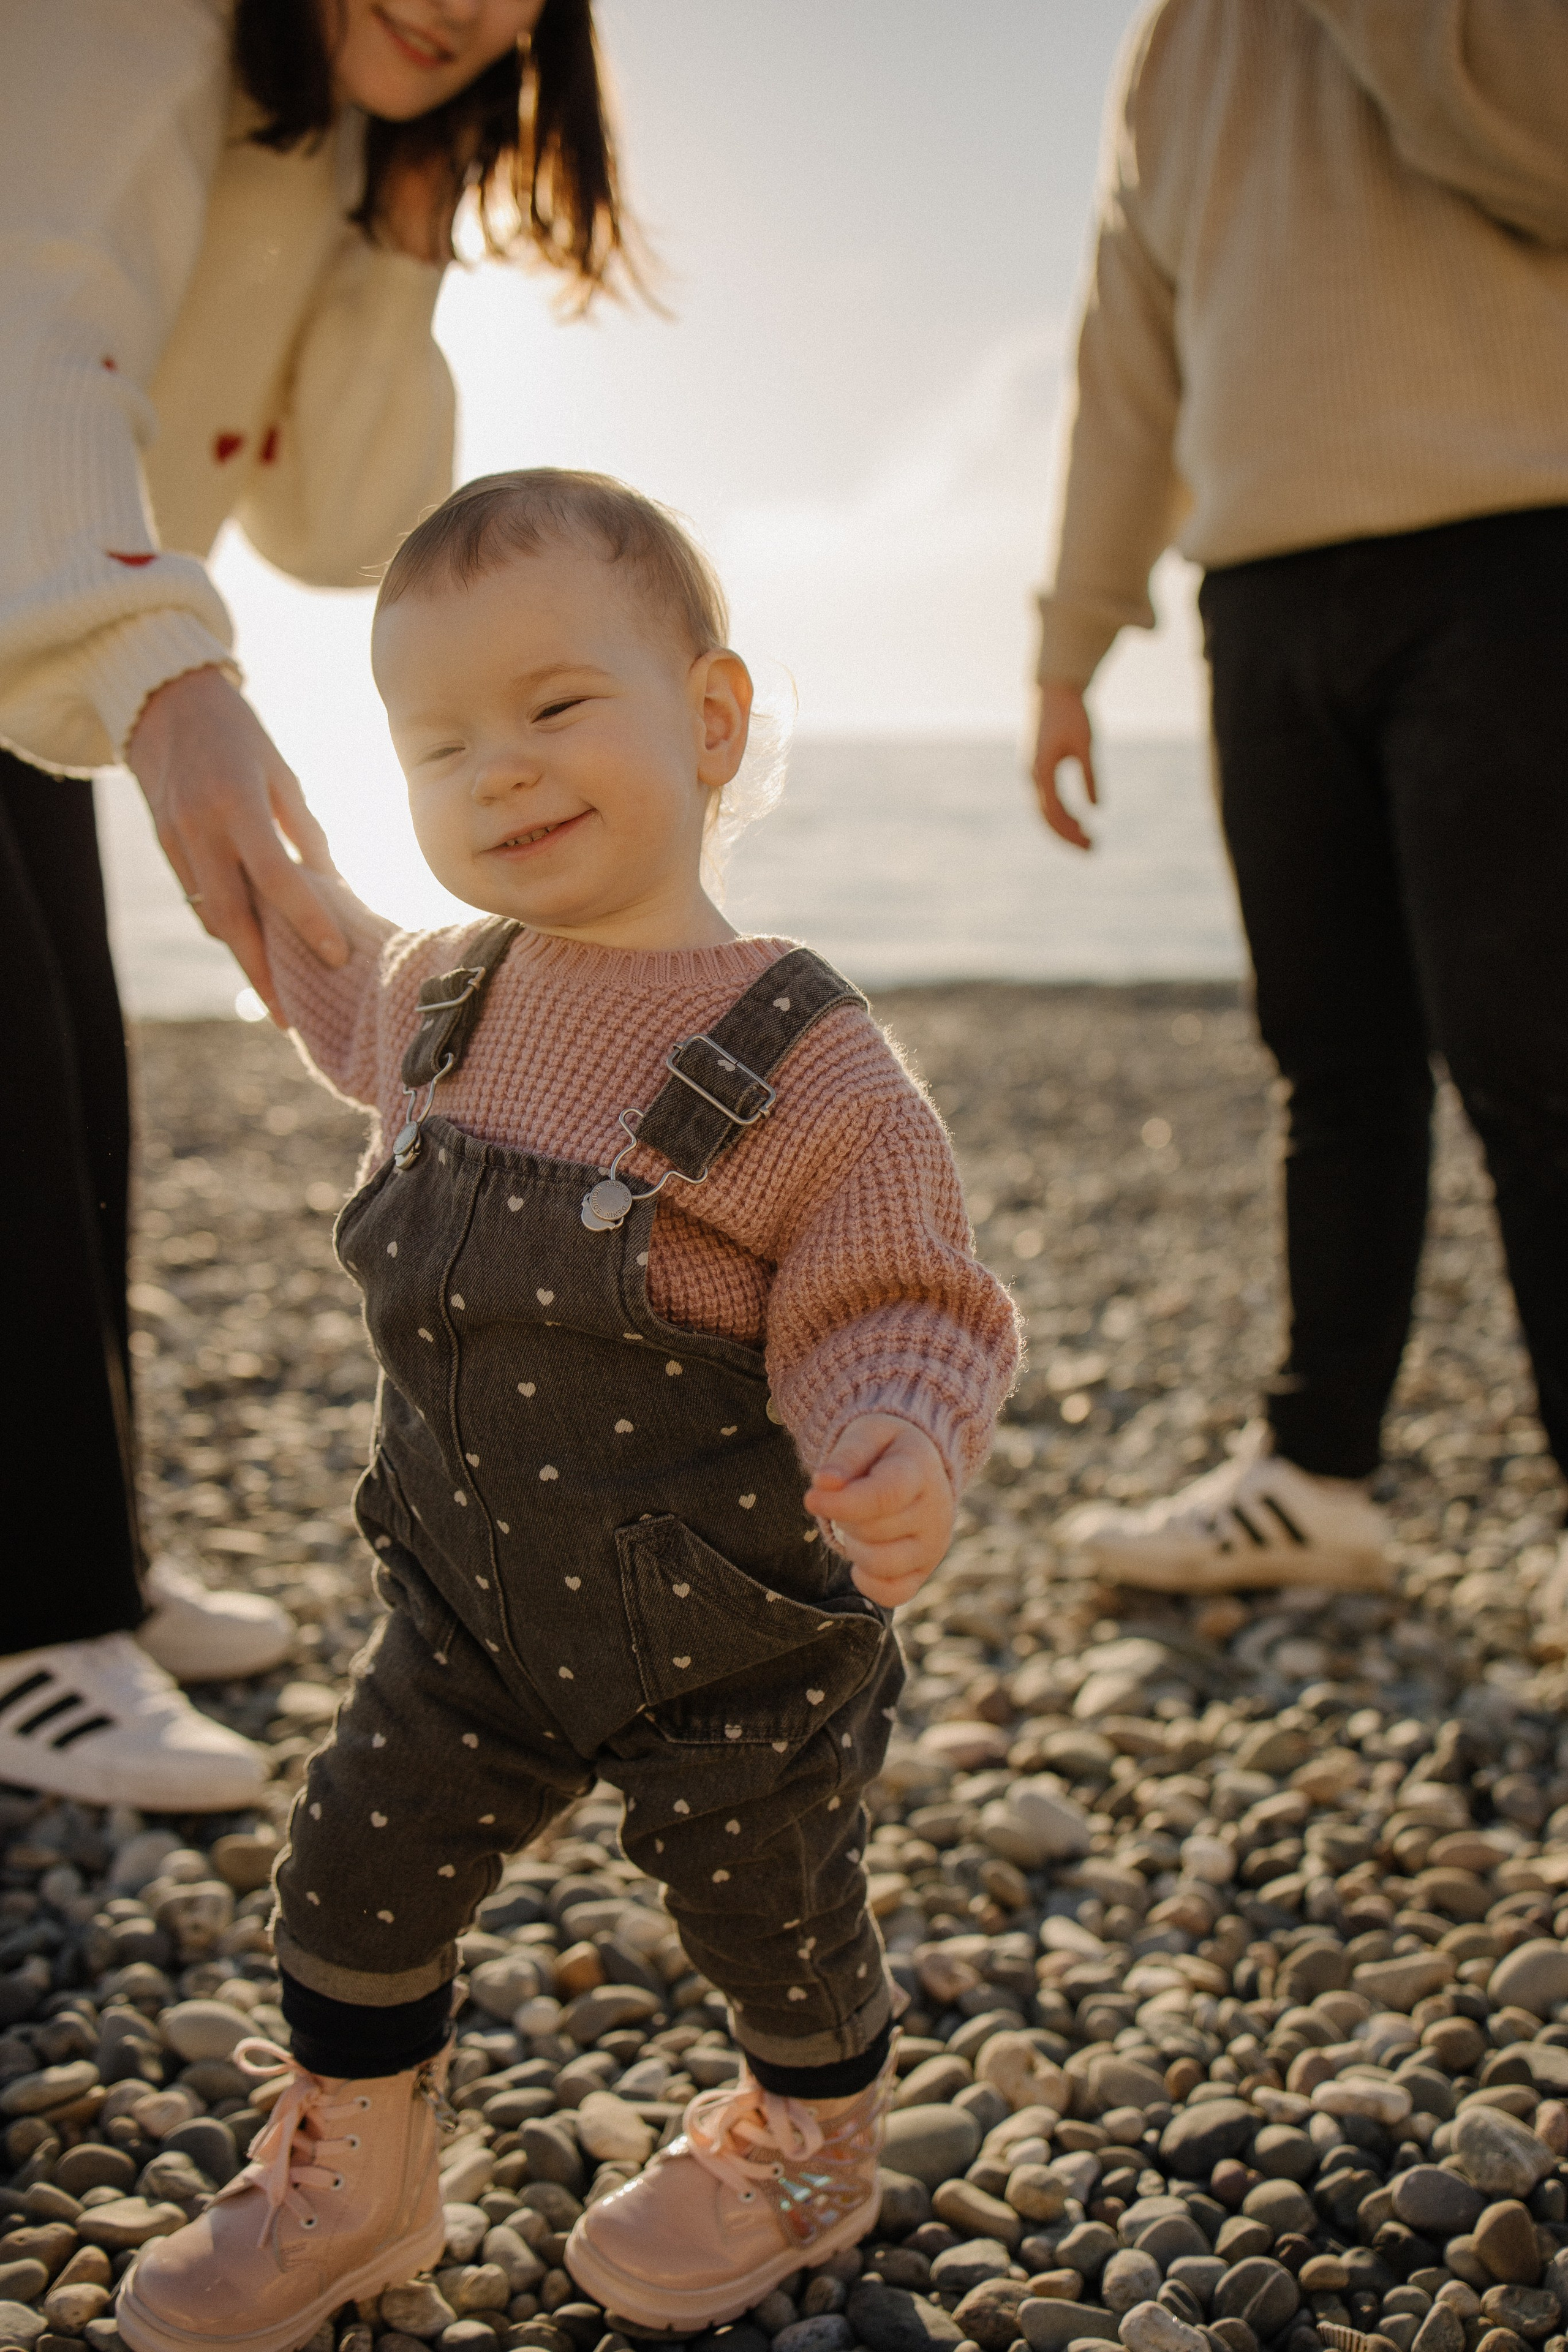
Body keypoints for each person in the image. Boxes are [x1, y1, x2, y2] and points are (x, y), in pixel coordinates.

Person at [113, 469, 1020, 2352]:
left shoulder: (804, 1065)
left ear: (708, 719)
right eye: (436, 743)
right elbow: (321, 969)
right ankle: (358, 2180)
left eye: (551, 708)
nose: (497, 771)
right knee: (350, 1871)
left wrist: (901, 1441)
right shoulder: (444, 996)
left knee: (771, 1913)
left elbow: (900, 1294)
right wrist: (264, 875)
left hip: (736, 1644)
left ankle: (808, 2144)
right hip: (468, 1617)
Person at [0, 0, 633, 1808]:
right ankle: (29, 1628)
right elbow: (28, 306)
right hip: (46, 602)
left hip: (26, 627)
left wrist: (407, 228)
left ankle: (82, 1568)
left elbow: (344, 519)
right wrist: (164, 672)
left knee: (72, 1095)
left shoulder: (348, 140)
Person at [1028, 0, 1568, 1594]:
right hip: (1259, 592)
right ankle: (1318, 1470)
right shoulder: (1171, 43)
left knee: (1537, 1064)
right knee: (1330, 1061)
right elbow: (1127, 348)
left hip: (1516, 557)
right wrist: (1070, 646)